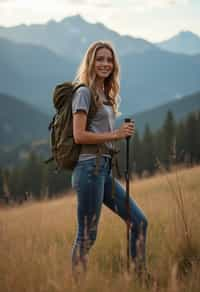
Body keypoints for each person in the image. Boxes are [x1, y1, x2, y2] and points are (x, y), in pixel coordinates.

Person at [71, 41, 148, 279]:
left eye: (109, 59)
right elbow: (79, 135)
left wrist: (120, 132)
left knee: (139, 222)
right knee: (87, 235)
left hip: (103, 170)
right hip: (88, 170)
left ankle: (138, 277)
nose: (105, 63)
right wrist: (115, 134)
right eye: (100, 59)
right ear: (91, 62)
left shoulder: (104, 94)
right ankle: (76, 284)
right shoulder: (83, 92)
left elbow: (101, 134)